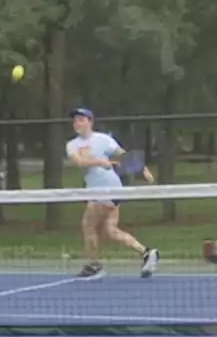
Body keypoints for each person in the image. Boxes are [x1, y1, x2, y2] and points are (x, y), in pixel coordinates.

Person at [65, 107, 160, 279]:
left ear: (90, 122)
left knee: (88, 225)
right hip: (95, 190)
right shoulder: (72, 145)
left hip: (109, 187)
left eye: (81, 119)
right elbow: (79, 162)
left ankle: (93, 265)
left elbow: (124, 156)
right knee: (111, 230)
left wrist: (143, 170)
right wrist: (100, 161)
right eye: (75, 120)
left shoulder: (103, 139)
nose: (77, 123)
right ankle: (147, 252)